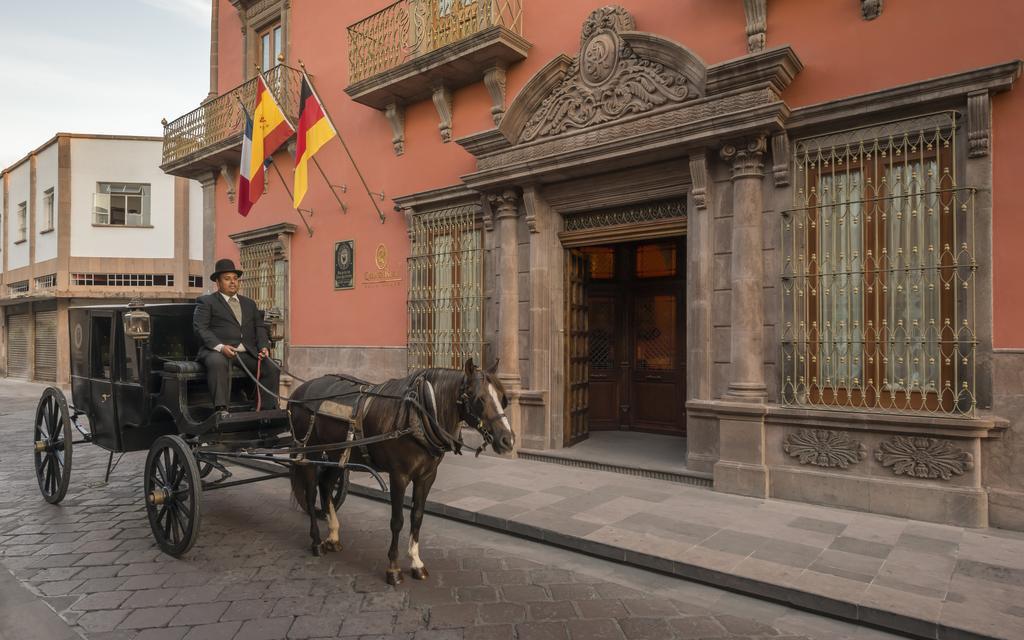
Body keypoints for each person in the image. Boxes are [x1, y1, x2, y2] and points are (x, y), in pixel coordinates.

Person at [193, 258, 280, 413]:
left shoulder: (249, 303)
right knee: (218, 363)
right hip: (216, 351)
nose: (233, 282)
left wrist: (264, 347)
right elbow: (201, 329)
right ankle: (221, 410)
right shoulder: (206, 302)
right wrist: (220, 347)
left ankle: (267, 410)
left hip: (245, 352)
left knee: (271, 367)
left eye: (235, 279)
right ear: (218, 283)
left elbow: (259, 328)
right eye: (227, 279)